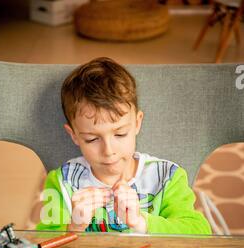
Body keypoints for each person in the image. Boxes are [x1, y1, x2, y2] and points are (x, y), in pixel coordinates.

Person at [36, 57, 211, 234]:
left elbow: (200, 232)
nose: (109, 151)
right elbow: (41, 243)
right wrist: (73, 227)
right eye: (92, 139)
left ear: (137, 123)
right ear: (73, 135)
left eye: (120, 134)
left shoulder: (166, 177)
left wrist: (141, 222)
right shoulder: (62, 181)